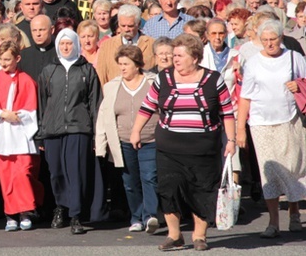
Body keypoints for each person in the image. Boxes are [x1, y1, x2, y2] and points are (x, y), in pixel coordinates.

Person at [130, 34, 236, 252]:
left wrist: (232, 140)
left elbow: (227, 112)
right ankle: (175, 235)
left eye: (179, 55)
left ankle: (199, 236)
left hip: (204, 148)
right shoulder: (164, 78)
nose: (174, 59)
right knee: (169, 189)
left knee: (202, 190)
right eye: (173, 54)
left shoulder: (214, 79)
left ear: (195, 57)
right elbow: (148, 106)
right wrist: (136, 130)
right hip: (169, 148)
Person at [237, 19, 306, 239]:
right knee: (269, 173)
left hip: (290, 120)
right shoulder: (253, 63)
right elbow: (245, 97)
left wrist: (299, 85)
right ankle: (273, 222)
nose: (269, 44)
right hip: (260, 123)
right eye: (264, 40)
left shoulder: (295, 58)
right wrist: (240, 129)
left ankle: (294, 214)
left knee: (290, 168)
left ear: (281, 38)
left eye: (273, 39)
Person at [37, 28, 104, 235]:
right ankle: (60, 207)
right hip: (53, 130)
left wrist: (95, 134)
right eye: (63, 44)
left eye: (69, 43)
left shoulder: (87, 70)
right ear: (58, 45)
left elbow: (94, 103)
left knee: (76, 171)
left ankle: (75, 215)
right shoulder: (49, 70)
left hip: (79, 127)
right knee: (56, 172)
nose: (66, 47)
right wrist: (41, 130)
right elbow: (41, 102)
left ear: (76, 44)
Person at [0, 42, 43, 232]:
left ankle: (25, 212)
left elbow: (32, 111)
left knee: (22, 174)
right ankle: (11, 214)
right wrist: (1, 114)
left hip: (21, 134)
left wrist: (17, 115)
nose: (3, 63)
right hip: (2, 135)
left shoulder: (27, 80)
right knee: (5, 176)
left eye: (7, 59)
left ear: (17, 59)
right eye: (1, 59)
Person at [96, 45, 159, 234]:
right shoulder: (112, 86)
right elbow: (104, 117)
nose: (122, 68)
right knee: (130, 182)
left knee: (149, 177)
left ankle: (150, 216)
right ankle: (136, 217)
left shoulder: (153, 83)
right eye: (120, 64)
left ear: (137, 65)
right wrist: (100, 145)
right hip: (122, 141)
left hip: (150, 139)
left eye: (126, 64)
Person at [96, 5, 155, 86]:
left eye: (130, 26)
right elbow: (101, 77)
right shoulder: (106, 46)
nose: (126, 29)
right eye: (123, 26)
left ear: (139, 24)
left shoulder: (152, 44)